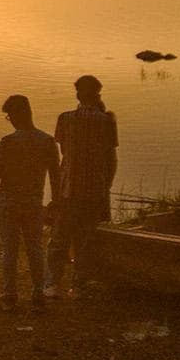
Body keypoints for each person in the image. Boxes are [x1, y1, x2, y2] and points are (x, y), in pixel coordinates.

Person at [49, 75, 118, 293]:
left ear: (78, 94)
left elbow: (64, 154)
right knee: (86, 239)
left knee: (60, 238)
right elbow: (111, 160)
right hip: (95, 190)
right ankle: (79, 283)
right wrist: (105, 186)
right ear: (98, 94)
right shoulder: (107, 121)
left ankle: (52, 282)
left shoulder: (64, 119)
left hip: (68, 189)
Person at [0, 94, 59, 312]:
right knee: (35, 248)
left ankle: (10, 293)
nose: (9, 120)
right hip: (33, 200)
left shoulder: (8, 142)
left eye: (9, 116)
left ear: (17, 115)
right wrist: (55, 201)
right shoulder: (47, 141)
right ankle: (38, 292)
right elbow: (55, 175)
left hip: (8, 200)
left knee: (9, 248)